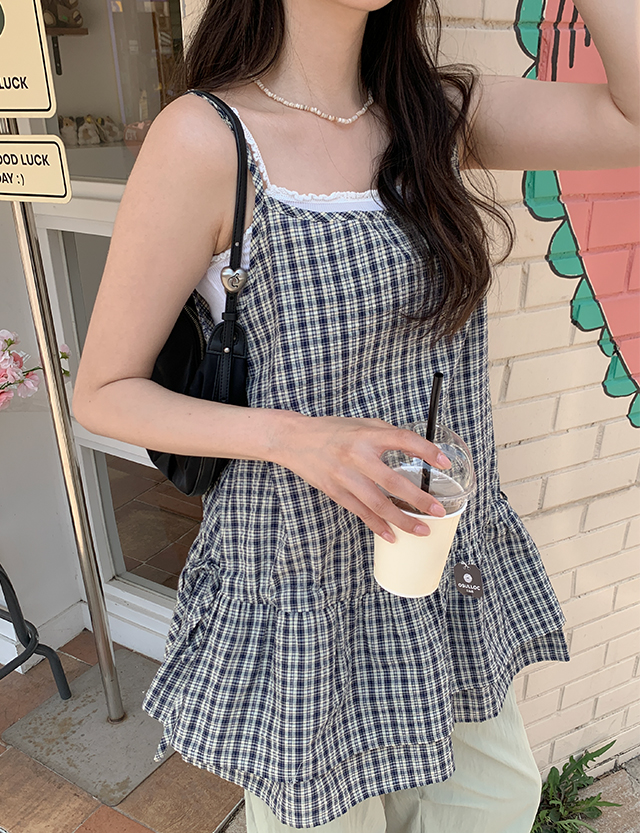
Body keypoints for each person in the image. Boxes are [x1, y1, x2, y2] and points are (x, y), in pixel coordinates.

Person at [72, 1, 639, 830]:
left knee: (496, 801)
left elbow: (630, 121)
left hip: (432, 566)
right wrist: (297, 437)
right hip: (304, 585)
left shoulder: (433, 115)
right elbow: (102, 389)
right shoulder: (208, 140)